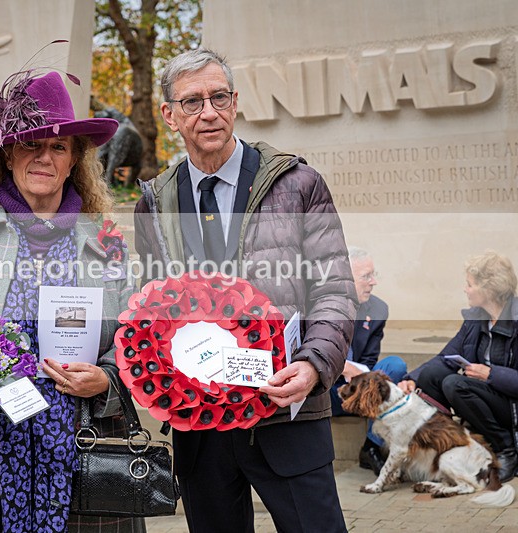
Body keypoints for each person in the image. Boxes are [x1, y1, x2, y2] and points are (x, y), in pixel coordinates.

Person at [134, 48, 357, 533]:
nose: (209, 112)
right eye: (192, 102)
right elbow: (150, 305)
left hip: (285, 413)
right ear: (169, 115)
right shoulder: (154, 200)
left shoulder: (297, 184)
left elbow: (335, 290)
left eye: (219, 97)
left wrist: (314, 364)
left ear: (235, 103)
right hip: (199, 423)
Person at [0, 70, 145, 532]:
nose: (45, 158)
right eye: (30, 144)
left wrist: (107, 380)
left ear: (74, 159)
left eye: (58, 147)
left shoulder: (106, 239)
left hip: (83, 443)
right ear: (5, 155)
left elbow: (131, 341)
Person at [398, 251, 518, 482]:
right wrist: (411, 378)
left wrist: (491, 374)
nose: (465, 289)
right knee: (433, 375)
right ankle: (450, 446)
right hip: (488, 398)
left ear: (489, 288)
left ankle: (506, 449)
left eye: (470, 284)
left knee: (455, 384)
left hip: (511, 405)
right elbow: (446, 356)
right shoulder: (476, 319)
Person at [328, 246, 407, 474]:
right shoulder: (320, 306)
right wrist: (343, 366)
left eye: (374, 274)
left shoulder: (378, 309)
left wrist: (360, 376)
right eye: (366, 276)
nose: (374, 282)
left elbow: (371, 360)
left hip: (361, 389)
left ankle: (372, 446)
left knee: (395, 366)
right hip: (328, 391)